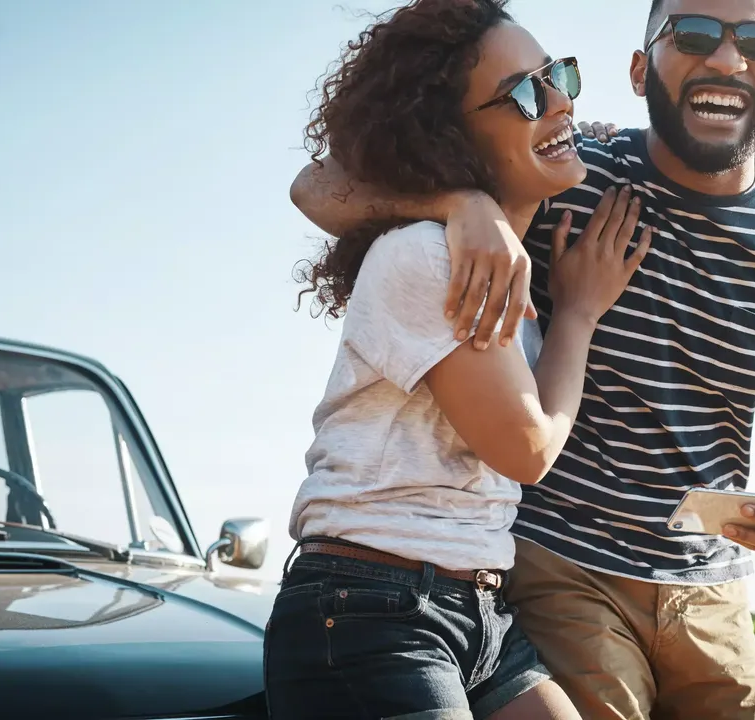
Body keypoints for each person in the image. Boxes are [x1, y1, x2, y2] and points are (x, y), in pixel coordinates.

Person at [288, 0, 755, 718]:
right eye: (692, 35)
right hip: (552, 564)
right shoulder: (562, 171)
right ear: (639, 69)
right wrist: (461, 201)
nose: (727, 58)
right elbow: (320, 185)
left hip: (707, 579)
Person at [263, 1, 654, 719]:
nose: (561, 99)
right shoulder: (428, 254)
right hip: (369, 613)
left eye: (559, 73)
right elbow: (527, 449)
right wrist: (578, 315)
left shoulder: (492, 249)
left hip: (475, 612)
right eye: (528, 93)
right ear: (453, 134)